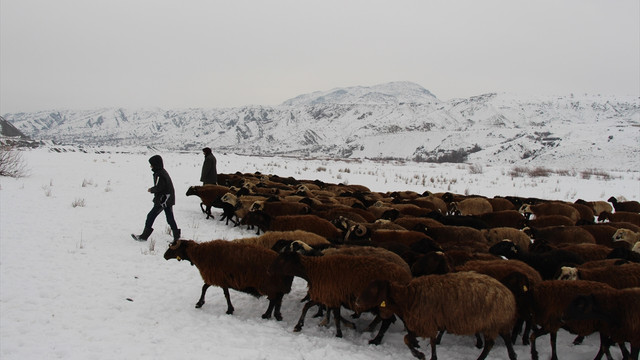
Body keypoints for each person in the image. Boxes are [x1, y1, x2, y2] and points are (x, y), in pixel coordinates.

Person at [132, 155, 181, 242]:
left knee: (151, 216)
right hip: (167, 198)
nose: (150, 166)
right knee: (169, 218)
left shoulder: (159, 174)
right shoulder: (161, 172)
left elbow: (159, 187)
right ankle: (177, 238)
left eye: (151, 164)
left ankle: (144, 237)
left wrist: (151, 190)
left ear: (155, 164)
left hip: (164, 199)